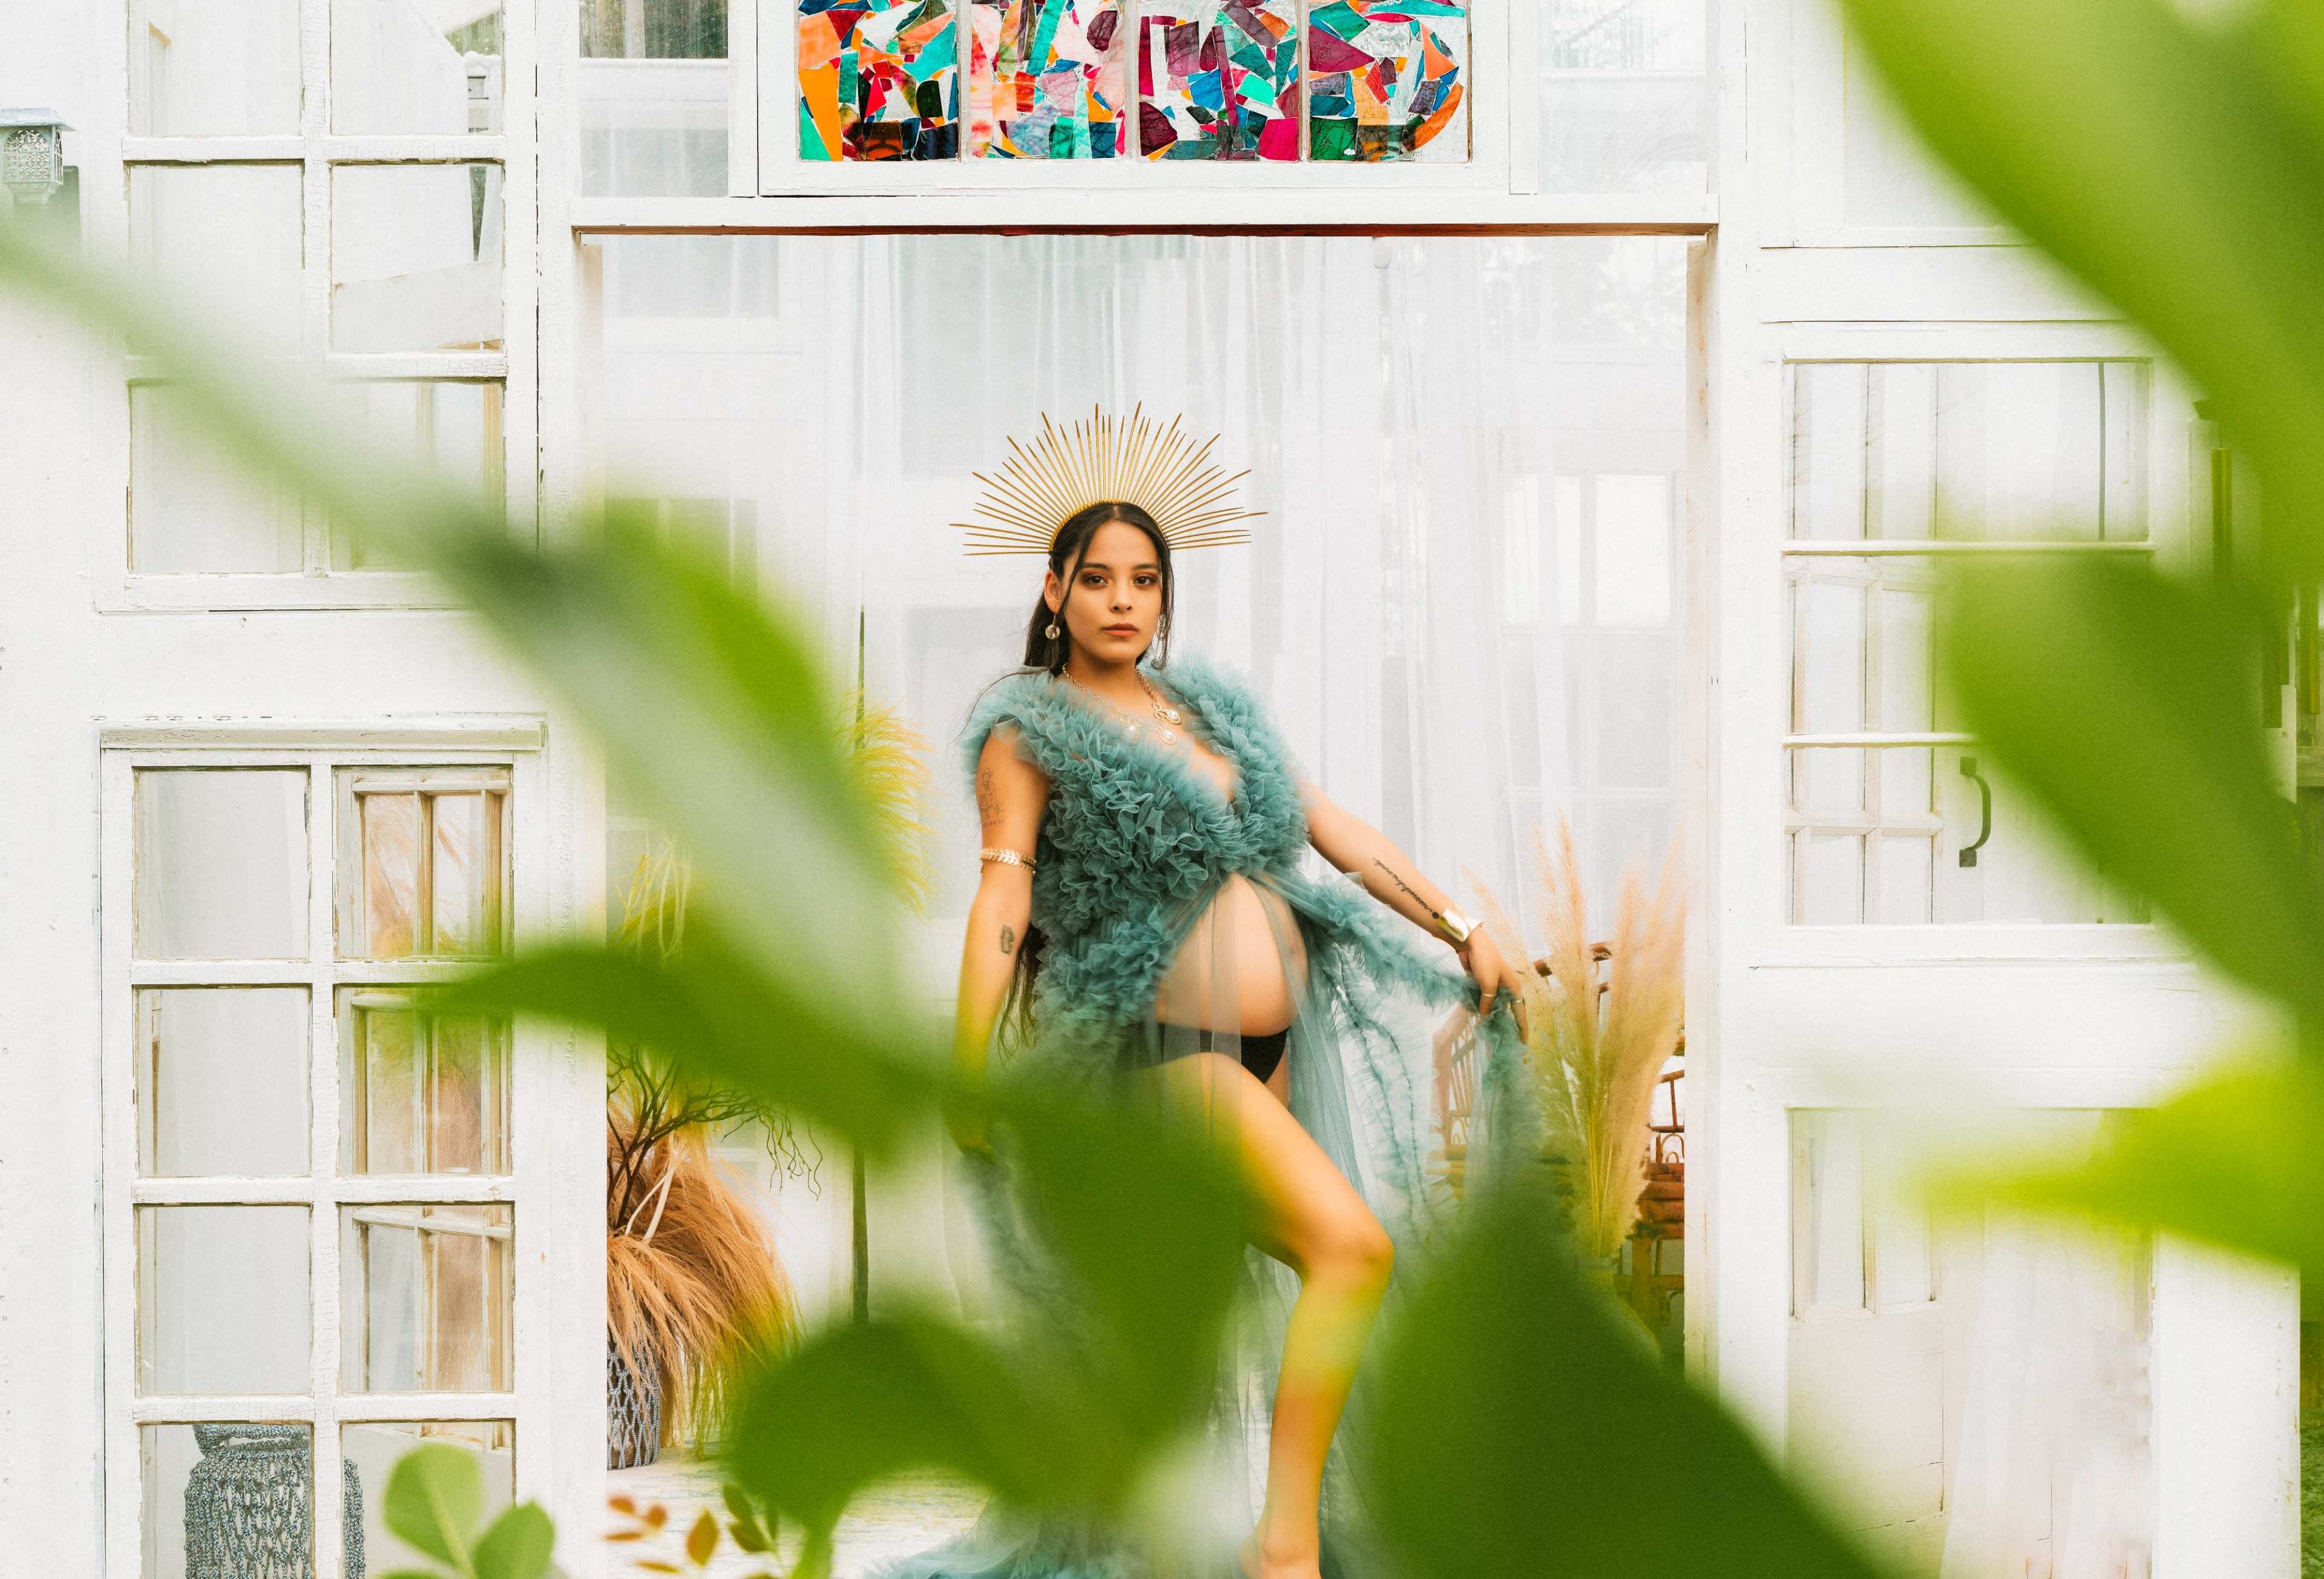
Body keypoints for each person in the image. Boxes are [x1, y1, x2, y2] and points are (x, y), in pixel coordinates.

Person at [888, 409, 1535, 1579]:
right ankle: (1282, 1549)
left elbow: (1332, 832)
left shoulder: (1212, 713)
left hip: (1269, 1054)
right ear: (1053, 590)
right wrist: (970, 1065)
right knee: (1354, 1251)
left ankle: (1170, 1536)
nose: (1122, 600)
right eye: (1096, 579)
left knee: (1211, 1327)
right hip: (1156, 1052)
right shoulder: (1028, 728)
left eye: (1144, 580)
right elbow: (1003, 901)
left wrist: (1467, 926)